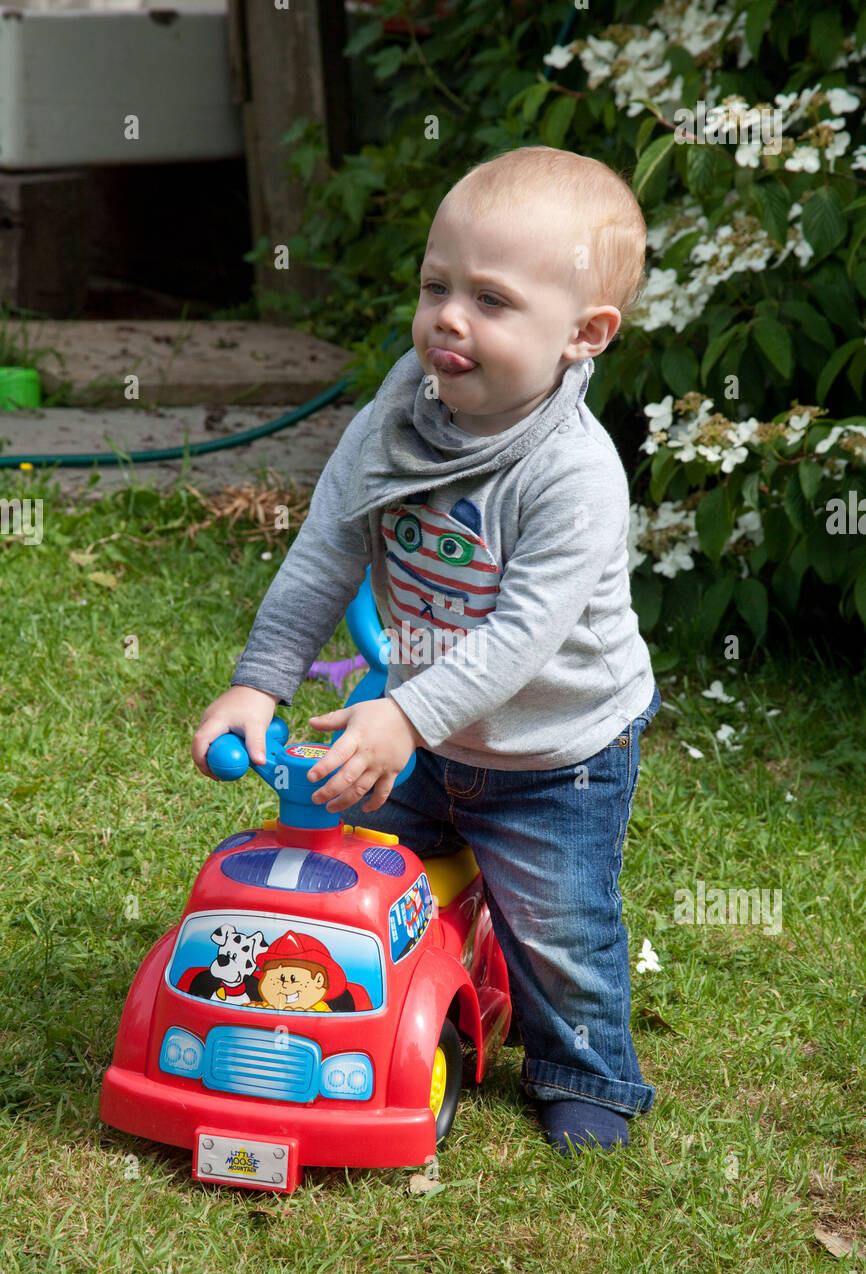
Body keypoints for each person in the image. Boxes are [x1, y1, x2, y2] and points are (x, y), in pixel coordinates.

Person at [192, 145, 661, 1155]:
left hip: (553, 752)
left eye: (490, 299)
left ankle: (585, 1069)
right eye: (434, 284)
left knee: (558, 926)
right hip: (423, 728)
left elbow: (519, 639)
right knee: (344, 875)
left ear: (582, 335)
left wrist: (402, 711)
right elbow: (326, 551)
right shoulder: (393, 417)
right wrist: (258, 682)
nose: (448, 316)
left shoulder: (571, 474)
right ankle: (338, 1015)